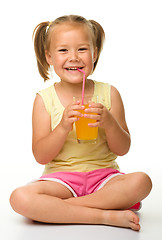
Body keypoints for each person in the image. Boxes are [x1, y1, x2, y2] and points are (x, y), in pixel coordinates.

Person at [10, 15, 152, 231]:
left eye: (82, 50)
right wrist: (63, 126)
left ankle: (60, 210)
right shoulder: (44, 99)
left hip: (104, 178)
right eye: (63, 50)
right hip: (61, 181)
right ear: (49, 56)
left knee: (142, 182)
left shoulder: (109, 93)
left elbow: (123, 149)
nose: (74, 57)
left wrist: (110, 123)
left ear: (94, 53)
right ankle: (103, 215)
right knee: (19, 198)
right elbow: (41, 155)